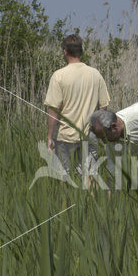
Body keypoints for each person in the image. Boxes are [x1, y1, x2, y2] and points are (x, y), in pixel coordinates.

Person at [44, 34, 110, 177]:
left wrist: (49, 137)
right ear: (81, 51)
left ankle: (66, 200)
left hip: (65, 135)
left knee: (63, 177)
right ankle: (91, 198)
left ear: (65, 51)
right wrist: (99, 131)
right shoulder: (95, 74)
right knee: (90, 175)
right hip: (90, 134)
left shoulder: (58, 76)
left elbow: (53, 110)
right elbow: (103, 108)